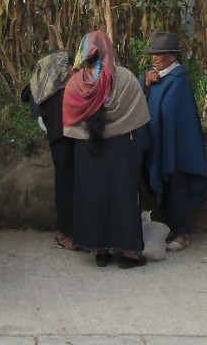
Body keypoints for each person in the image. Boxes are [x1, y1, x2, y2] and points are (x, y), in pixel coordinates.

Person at [63, 31, 150, 268]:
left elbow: (70, 118)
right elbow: (139, 116)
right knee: (123, 197)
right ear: (108, 50)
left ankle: (100, 252)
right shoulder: (126, 78)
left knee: (92, 196)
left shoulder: (74, 84)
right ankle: (129, 254)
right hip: (122, 148)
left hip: (87, 146)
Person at [138, 32, 207, 252]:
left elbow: (174, 116)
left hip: (175, 149)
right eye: (154, 54)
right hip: (158, 144)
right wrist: (146, 84)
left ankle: (183, 231)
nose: (155, 58)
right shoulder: (156, 77)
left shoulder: (178, 81)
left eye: (159, 54)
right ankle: (172, 228)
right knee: (163, 188)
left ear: (172, 55)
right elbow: (143, 101)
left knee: (176, 187)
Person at [22, 51, 76, 249]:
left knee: (68, 186)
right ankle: (63, 233)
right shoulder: (57, 94)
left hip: (62, 142)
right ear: (60, 68)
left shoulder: (48, 92)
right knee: (66, 186)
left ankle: (70, 231)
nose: (72, 71)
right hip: (64, 143)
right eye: (69, 67)